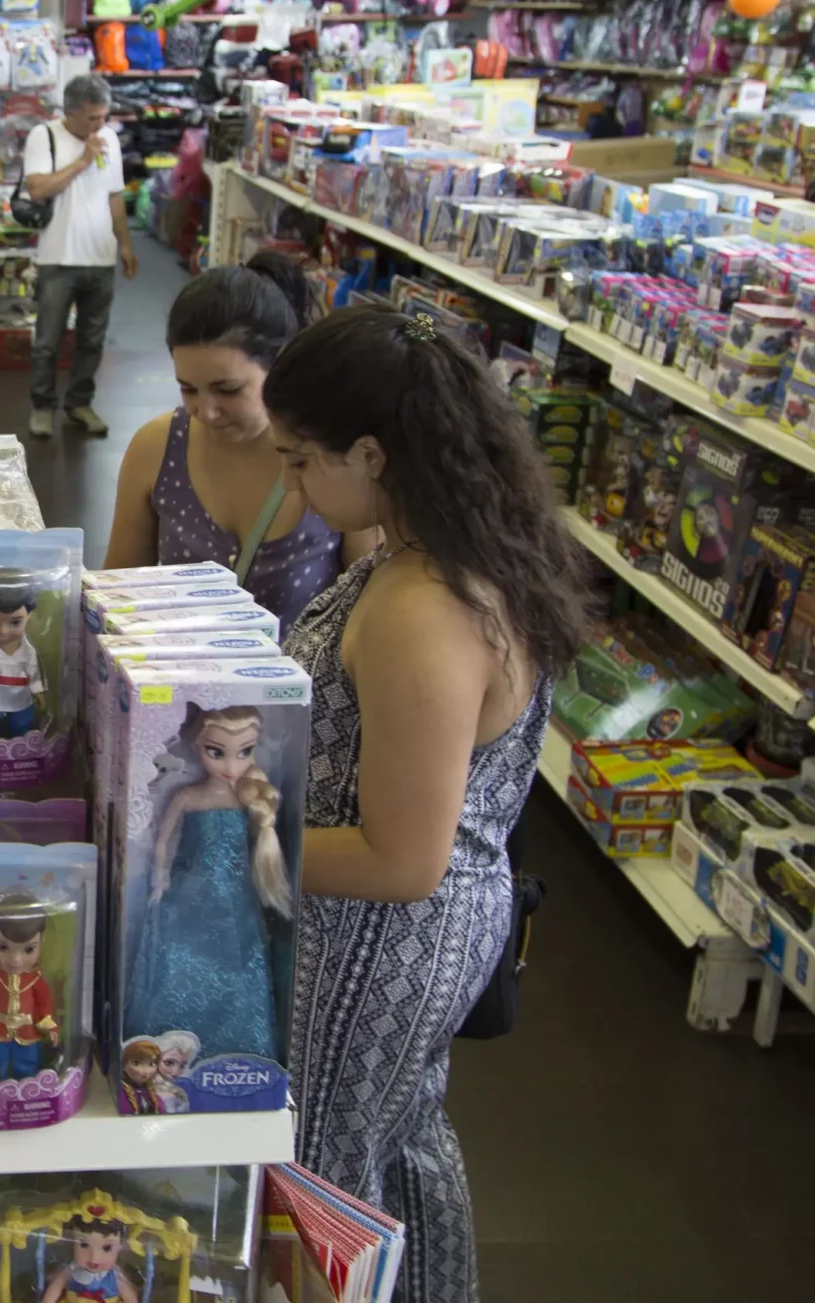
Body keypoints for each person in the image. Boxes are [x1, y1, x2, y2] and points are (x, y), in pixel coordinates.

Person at [263, 305, 591, 1303]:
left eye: (302, 459)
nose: (290, 483)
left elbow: (403, 856)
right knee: (394, 1142)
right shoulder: (450, 551)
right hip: (422, 929)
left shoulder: (422, 607)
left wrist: (246, 847)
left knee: (321, 1174)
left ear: (371, 452)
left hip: (381, 936)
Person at [104, 253, 374, 630]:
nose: (206, 411)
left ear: (280, 365)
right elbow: (118, 599)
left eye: (227, 390)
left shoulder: (334, 457)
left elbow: (369, 609)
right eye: (188, 389)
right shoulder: (155, 447)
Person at [21, 74, 137, 440]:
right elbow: (37, 188)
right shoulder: (45, 136)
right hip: (58, 257)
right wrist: (82, 161)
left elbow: (115, 195)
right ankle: (42, 408)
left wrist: (125, 245)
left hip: (100, 258)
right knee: (47, 342)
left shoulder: (110, 139)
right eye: (91, 119)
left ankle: (79, 403)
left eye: (104, 117)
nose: (99, 126)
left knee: (92, 338)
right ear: (69, 113)